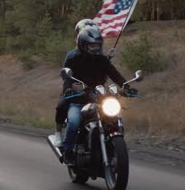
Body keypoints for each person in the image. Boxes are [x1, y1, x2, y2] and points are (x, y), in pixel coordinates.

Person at [57, 27, 137, 165]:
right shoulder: (74, 59)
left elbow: (114, 74)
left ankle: (112, 146)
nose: (95, 48)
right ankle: (68, 151)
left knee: (116, 119)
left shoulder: (102, 60)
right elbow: (67, 79)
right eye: (91, 45)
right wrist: (70, 89)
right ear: (83, 45)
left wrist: (126, 86)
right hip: (79, 101)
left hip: (99, 99)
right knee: (74, 121)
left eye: (97, 45)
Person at [53, 19, 100, 146]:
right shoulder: (72, 54)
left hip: (94, 92)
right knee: (63, 104)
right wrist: (70, 88)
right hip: (75, 90)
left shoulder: (99, 53)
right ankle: (58, 133)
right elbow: (66, 74)